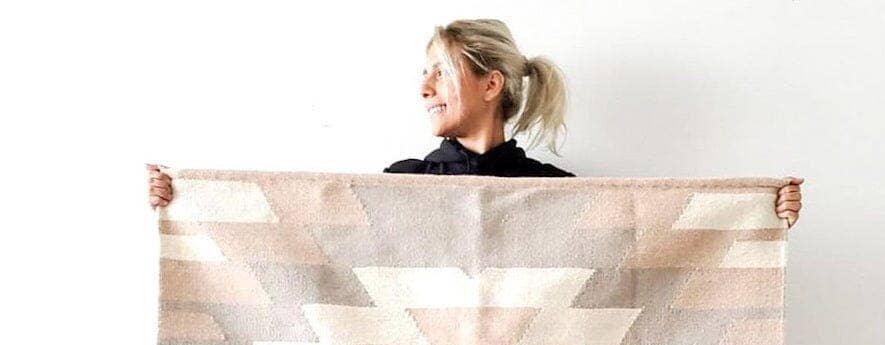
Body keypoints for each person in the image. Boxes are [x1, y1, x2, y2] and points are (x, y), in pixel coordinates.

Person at [147, 18, 802, 223]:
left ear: (492, 84)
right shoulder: (400, 185)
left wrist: (755, 216)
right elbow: (310, 235)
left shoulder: (557, 194)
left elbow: (647, 245)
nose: (424, 87)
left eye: (441, 71)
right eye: (423, 74)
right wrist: (191, 204)